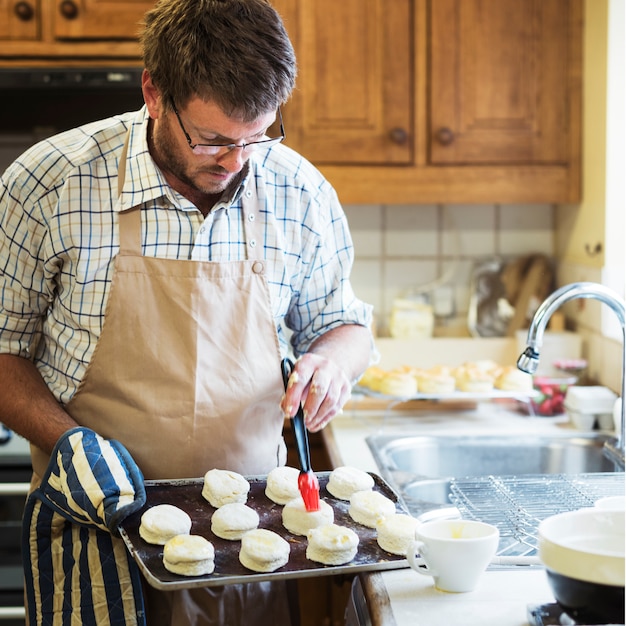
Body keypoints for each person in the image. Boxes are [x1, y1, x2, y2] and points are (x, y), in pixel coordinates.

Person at [0, 0, 373, 624]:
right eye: (212, 139)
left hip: (247, 548)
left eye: (257, 137)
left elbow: (345, 325)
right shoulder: (49, 185)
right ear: (153, 91)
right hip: (95, 540)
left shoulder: (298, 191)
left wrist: (332, 363)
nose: (234, 163)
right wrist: (66, 441)